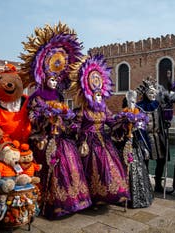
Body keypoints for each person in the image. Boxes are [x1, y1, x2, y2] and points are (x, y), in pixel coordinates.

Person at [20, 23, 92, 219]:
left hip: (60, 138)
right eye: (51, 79)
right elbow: (32, 117)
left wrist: (67, 122)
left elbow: (66, 118)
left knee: (70, 163)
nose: (54, 82)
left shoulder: (59, 97)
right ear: (43, 77)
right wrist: (46, 118)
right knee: (51, 165)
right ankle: (50, 203)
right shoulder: (37, 96)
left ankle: (74, 201)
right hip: (44, 138)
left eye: (56, 79)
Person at [68, 54, 130, 206]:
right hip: (87, 144)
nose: (99, 97)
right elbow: (75, 125)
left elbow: (112, 122)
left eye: (100, 95)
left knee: (109, 167)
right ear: (89, 94)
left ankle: (111, 194)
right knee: (91, 169)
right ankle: (92, 198)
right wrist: (77, 130)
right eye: (96, 95)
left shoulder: (104, 110)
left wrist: (125, 121)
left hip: (103, 141)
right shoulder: (83, 110)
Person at [114, 90, 154, 208]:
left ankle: (139, 196)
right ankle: (123, 196)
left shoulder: (139, 115)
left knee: (138, 169)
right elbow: (116, 132)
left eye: (134, 101)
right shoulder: (122, 115)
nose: (133, 103)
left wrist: (145, 147)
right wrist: (125, 127)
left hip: (136, 146)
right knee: (124, 169)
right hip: (125, 147)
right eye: (130, 101)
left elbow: (142, 134)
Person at [136, 77, 171, 193]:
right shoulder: (139, 106)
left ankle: (158, 184)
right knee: (145, 161)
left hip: (158, 136)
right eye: (150, 92)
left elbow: (163, 117)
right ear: (145, 93)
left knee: (161, 160)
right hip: (145, 137)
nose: (153, 94)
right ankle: (145, 184)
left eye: (154, 92)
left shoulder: (158, 105)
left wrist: (166, 122)